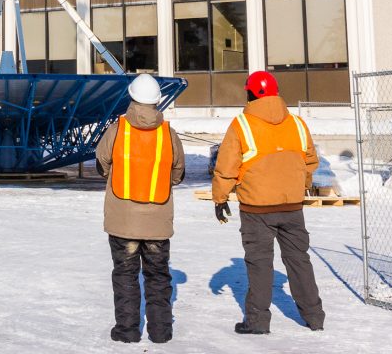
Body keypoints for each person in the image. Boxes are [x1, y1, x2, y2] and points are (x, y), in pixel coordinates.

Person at [212, 71, 325, 335]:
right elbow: (309, 160)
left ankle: (258, 322)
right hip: (292, 207)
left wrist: (220, 197)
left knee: (259, 264)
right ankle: (314, 317)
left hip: (256, 209)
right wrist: (301, 184)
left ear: (249, 93)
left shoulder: (241, 124)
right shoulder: (297, 123)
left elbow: (227, 166)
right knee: (299, 260)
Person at [95, 73, 185, 344]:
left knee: (125, 275)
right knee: (158, 277)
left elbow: (102, 163)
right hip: (157, 221)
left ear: (132, 97)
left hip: (123, 220)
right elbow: (177, 173)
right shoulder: (168, 133)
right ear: (157, 101)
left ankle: (127, 331)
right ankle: (161, 332)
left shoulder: (117, 130)